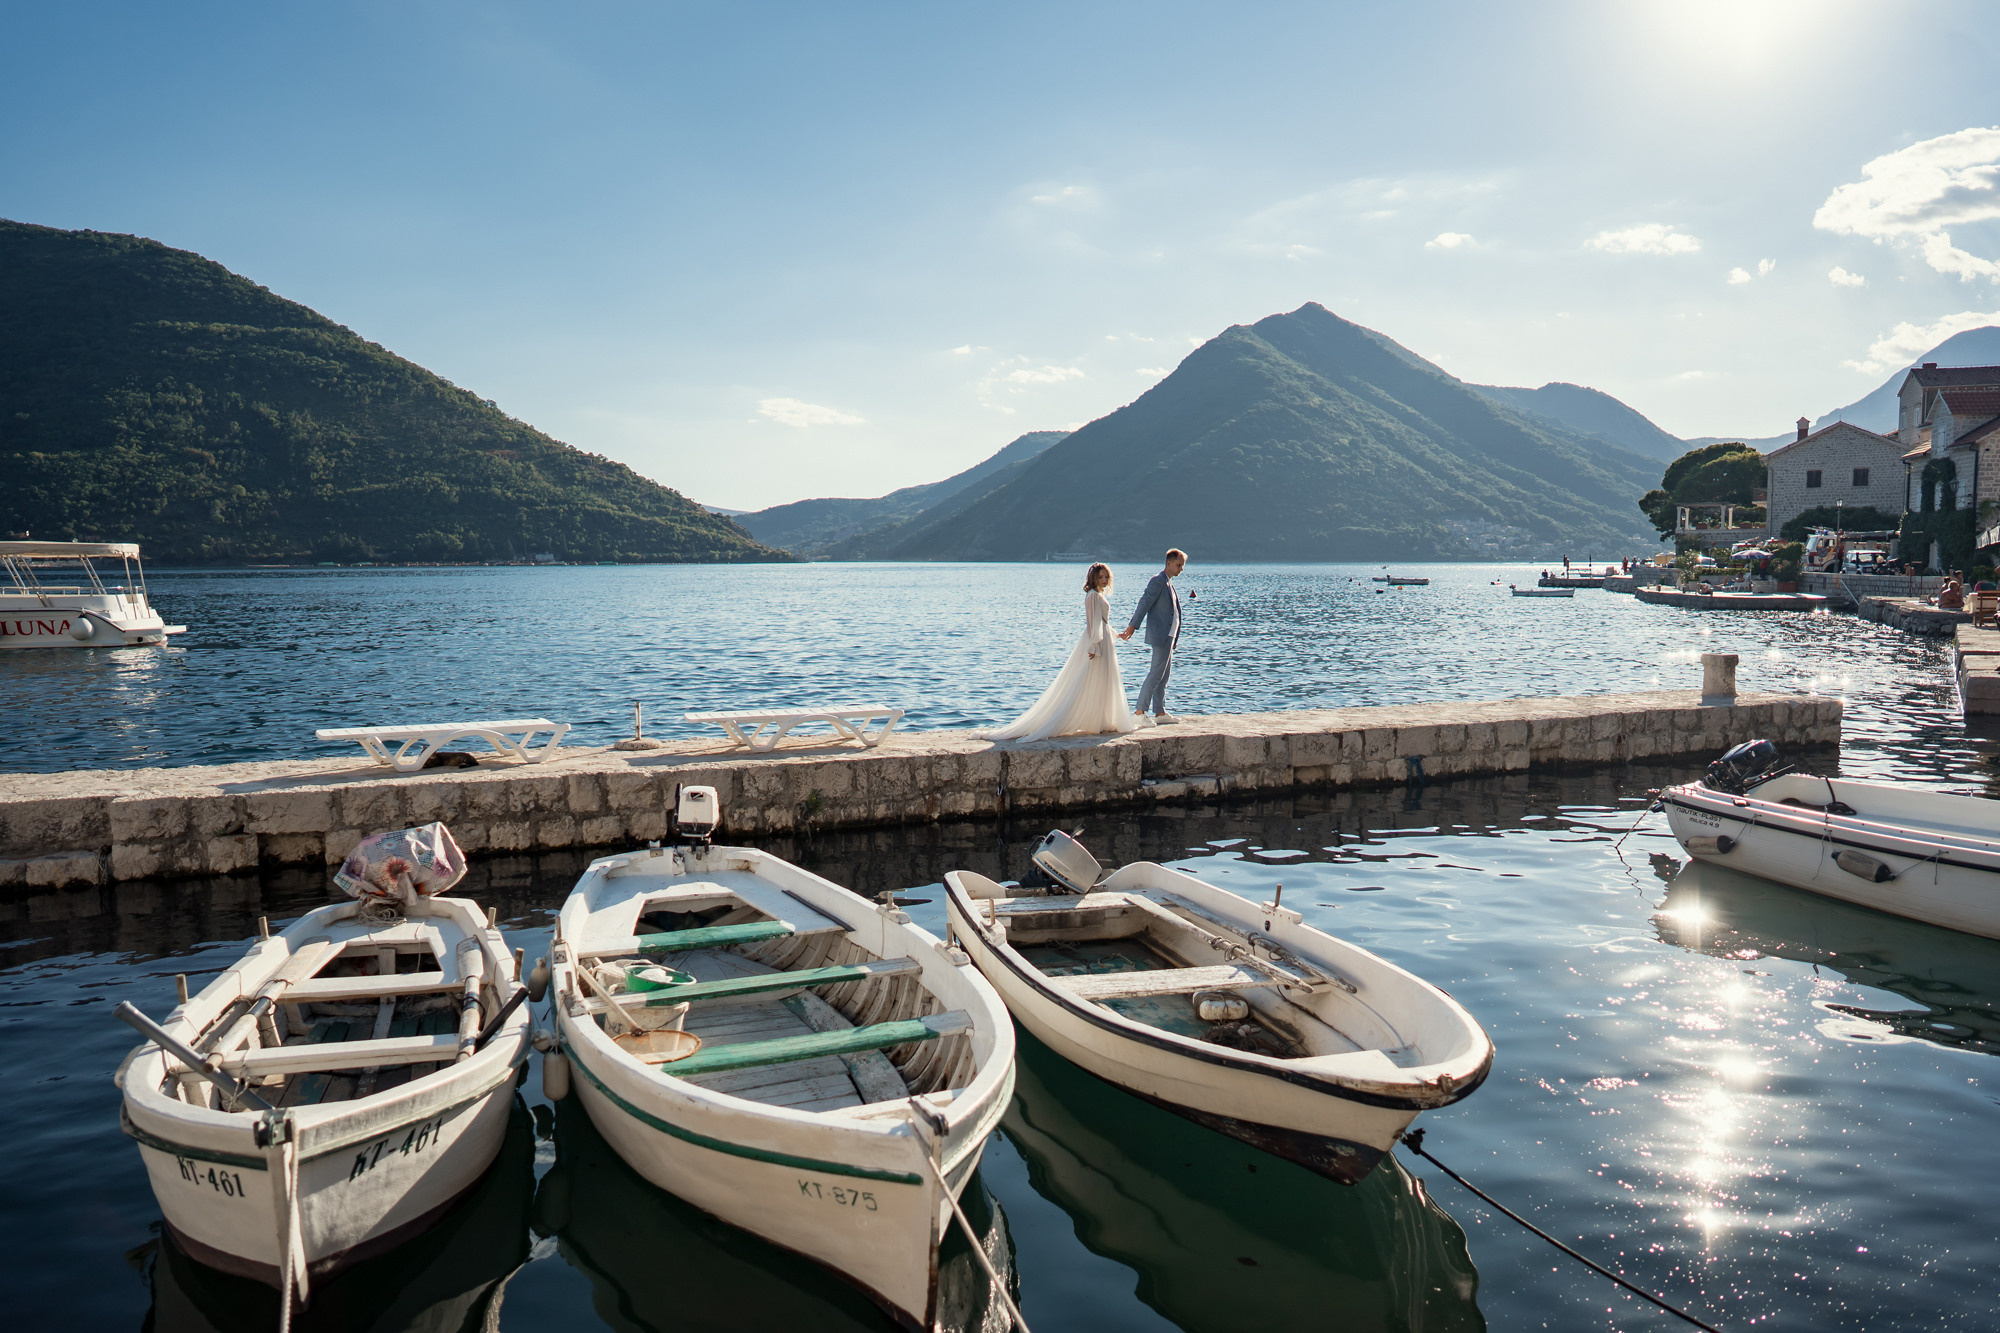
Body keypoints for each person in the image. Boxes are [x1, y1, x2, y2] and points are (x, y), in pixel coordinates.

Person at [984, 563, 1142, 741]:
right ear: (1093, 578)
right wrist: (1093, 646)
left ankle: (1102, 721)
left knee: (1102, 680)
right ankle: (1092, 720)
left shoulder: (1097, 595)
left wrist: (1116, 635)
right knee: (1091, 679)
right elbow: (1093, 624)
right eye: (1100, 577)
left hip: (1103, 640)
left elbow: (1103, 623)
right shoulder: (1092, 596)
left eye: (1106, 577)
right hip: (1098, 642)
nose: (1104, 580)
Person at [1119, 548, 1186, 725]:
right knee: (1155, 674)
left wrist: (1175, 638)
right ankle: (1140, 712)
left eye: (1182, 566)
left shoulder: (1169, 583)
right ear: (1169, 563)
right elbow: (1144, 603)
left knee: (1164, 676)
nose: (1181, 569)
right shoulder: (1157, 581)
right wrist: (1133, 625)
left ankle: (1160, 711)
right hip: (1161, 635)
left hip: (1169, 637)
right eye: (1179, 565)